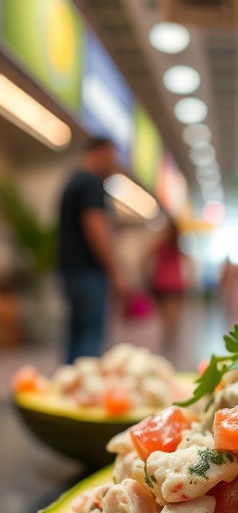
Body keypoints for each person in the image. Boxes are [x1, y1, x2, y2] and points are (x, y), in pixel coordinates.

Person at [57, 136, 125, 363]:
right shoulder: (90, 183)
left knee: (76, 334)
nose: (113, 165)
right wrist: (115, 270)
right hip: (89, 272)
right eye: (111, 158)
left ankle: (67, 385)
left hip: (71, 272)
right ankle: (83, 391)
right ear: (100, 152)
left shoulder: (72, 181)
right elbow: (95, 229)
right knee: (90, 336)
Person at [149, 216, 188, 348]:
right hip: (174, 283)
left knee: (166, 313)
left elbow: (149, 254)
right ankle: (171, 335)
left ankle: (169, 336)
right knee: (173, 313)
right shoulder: (176, 246)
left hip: (163, 283)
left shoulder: (162, 244)